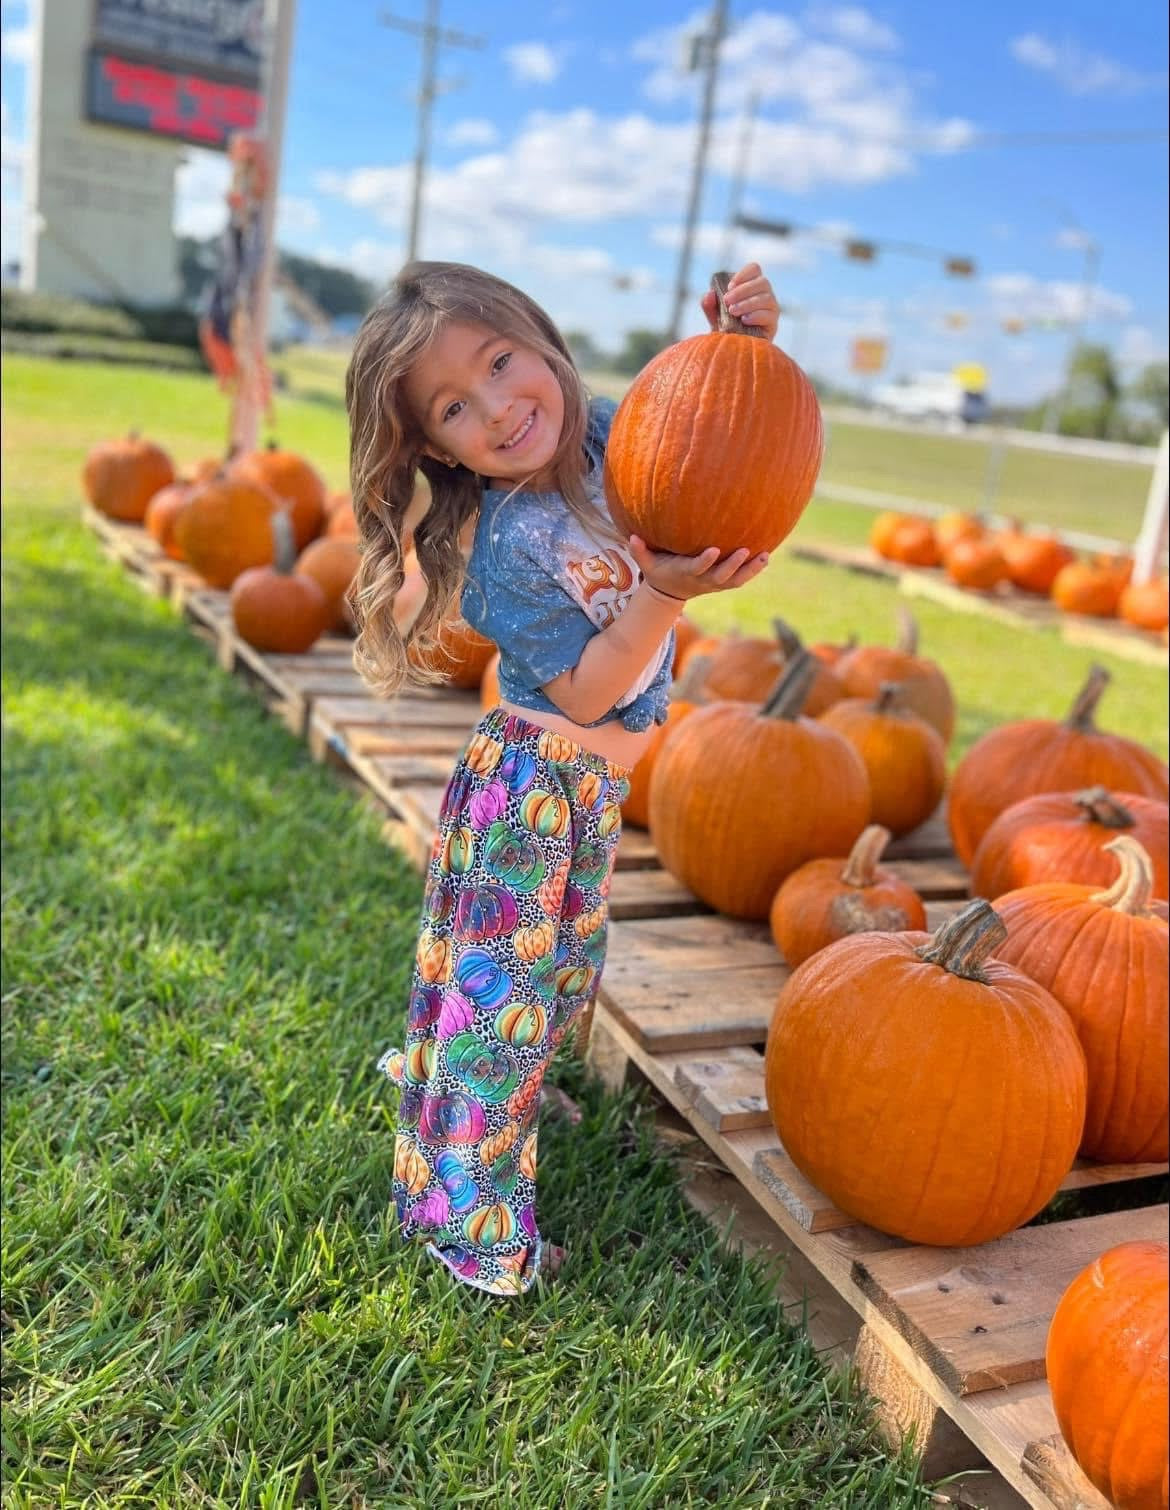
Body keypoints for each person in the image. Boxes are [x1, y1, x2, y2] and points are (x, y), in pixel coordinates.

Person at [345, 259, 780, 1296]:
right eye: (456, 406)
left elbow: (721, 437)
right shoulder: (505, 549)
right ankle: (467, 1215)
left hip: (587, 795)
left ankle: (471, 1072)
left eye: (501, 362)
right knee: (504, 1004)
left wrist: (747, 348)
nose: (498, 408)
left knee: (565, 968)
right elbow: (586, 693)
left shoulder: (612, 439)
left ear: (540, 339)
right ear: (433, 445)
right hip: (527, 789)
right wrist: (663, 596)